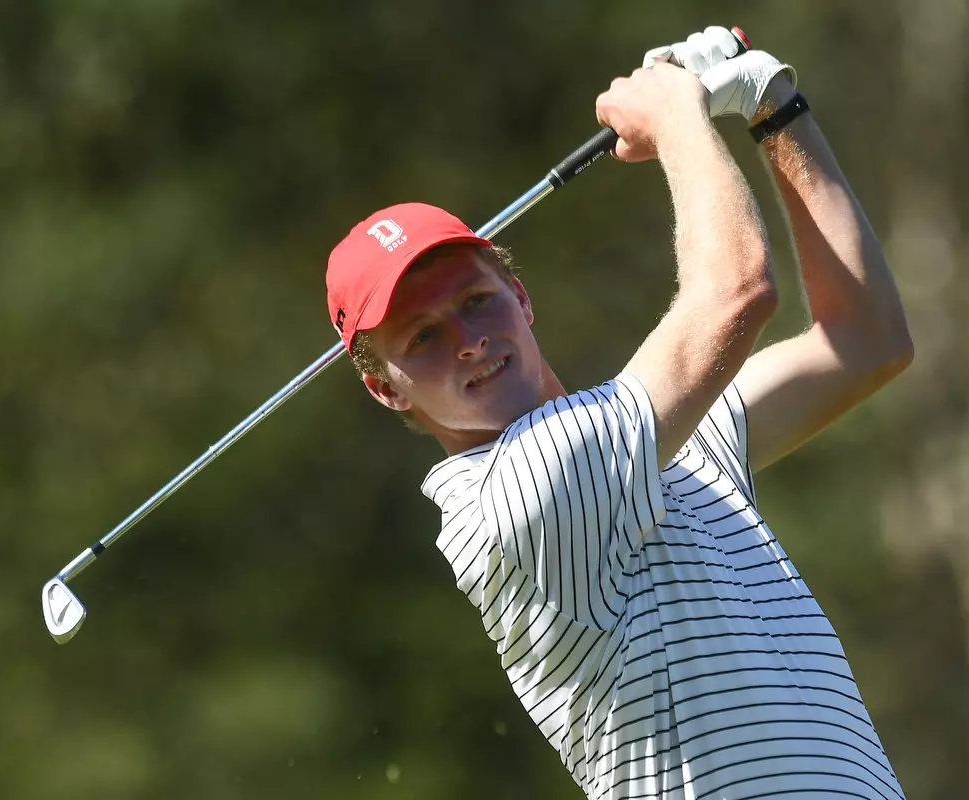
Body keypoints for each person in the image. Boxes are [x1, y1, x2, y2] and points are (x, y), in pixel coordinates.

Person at [325, 26, 912, 800]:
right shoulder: (518, 493)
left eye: (476, 300)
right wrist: (676, 115)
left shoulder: (652, 442)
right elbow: (739, 291)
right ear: (388, 389)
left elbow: (866, 341)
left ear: (520, 297)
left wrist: (774, 109)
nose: (468, 341)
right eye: (423, 337)